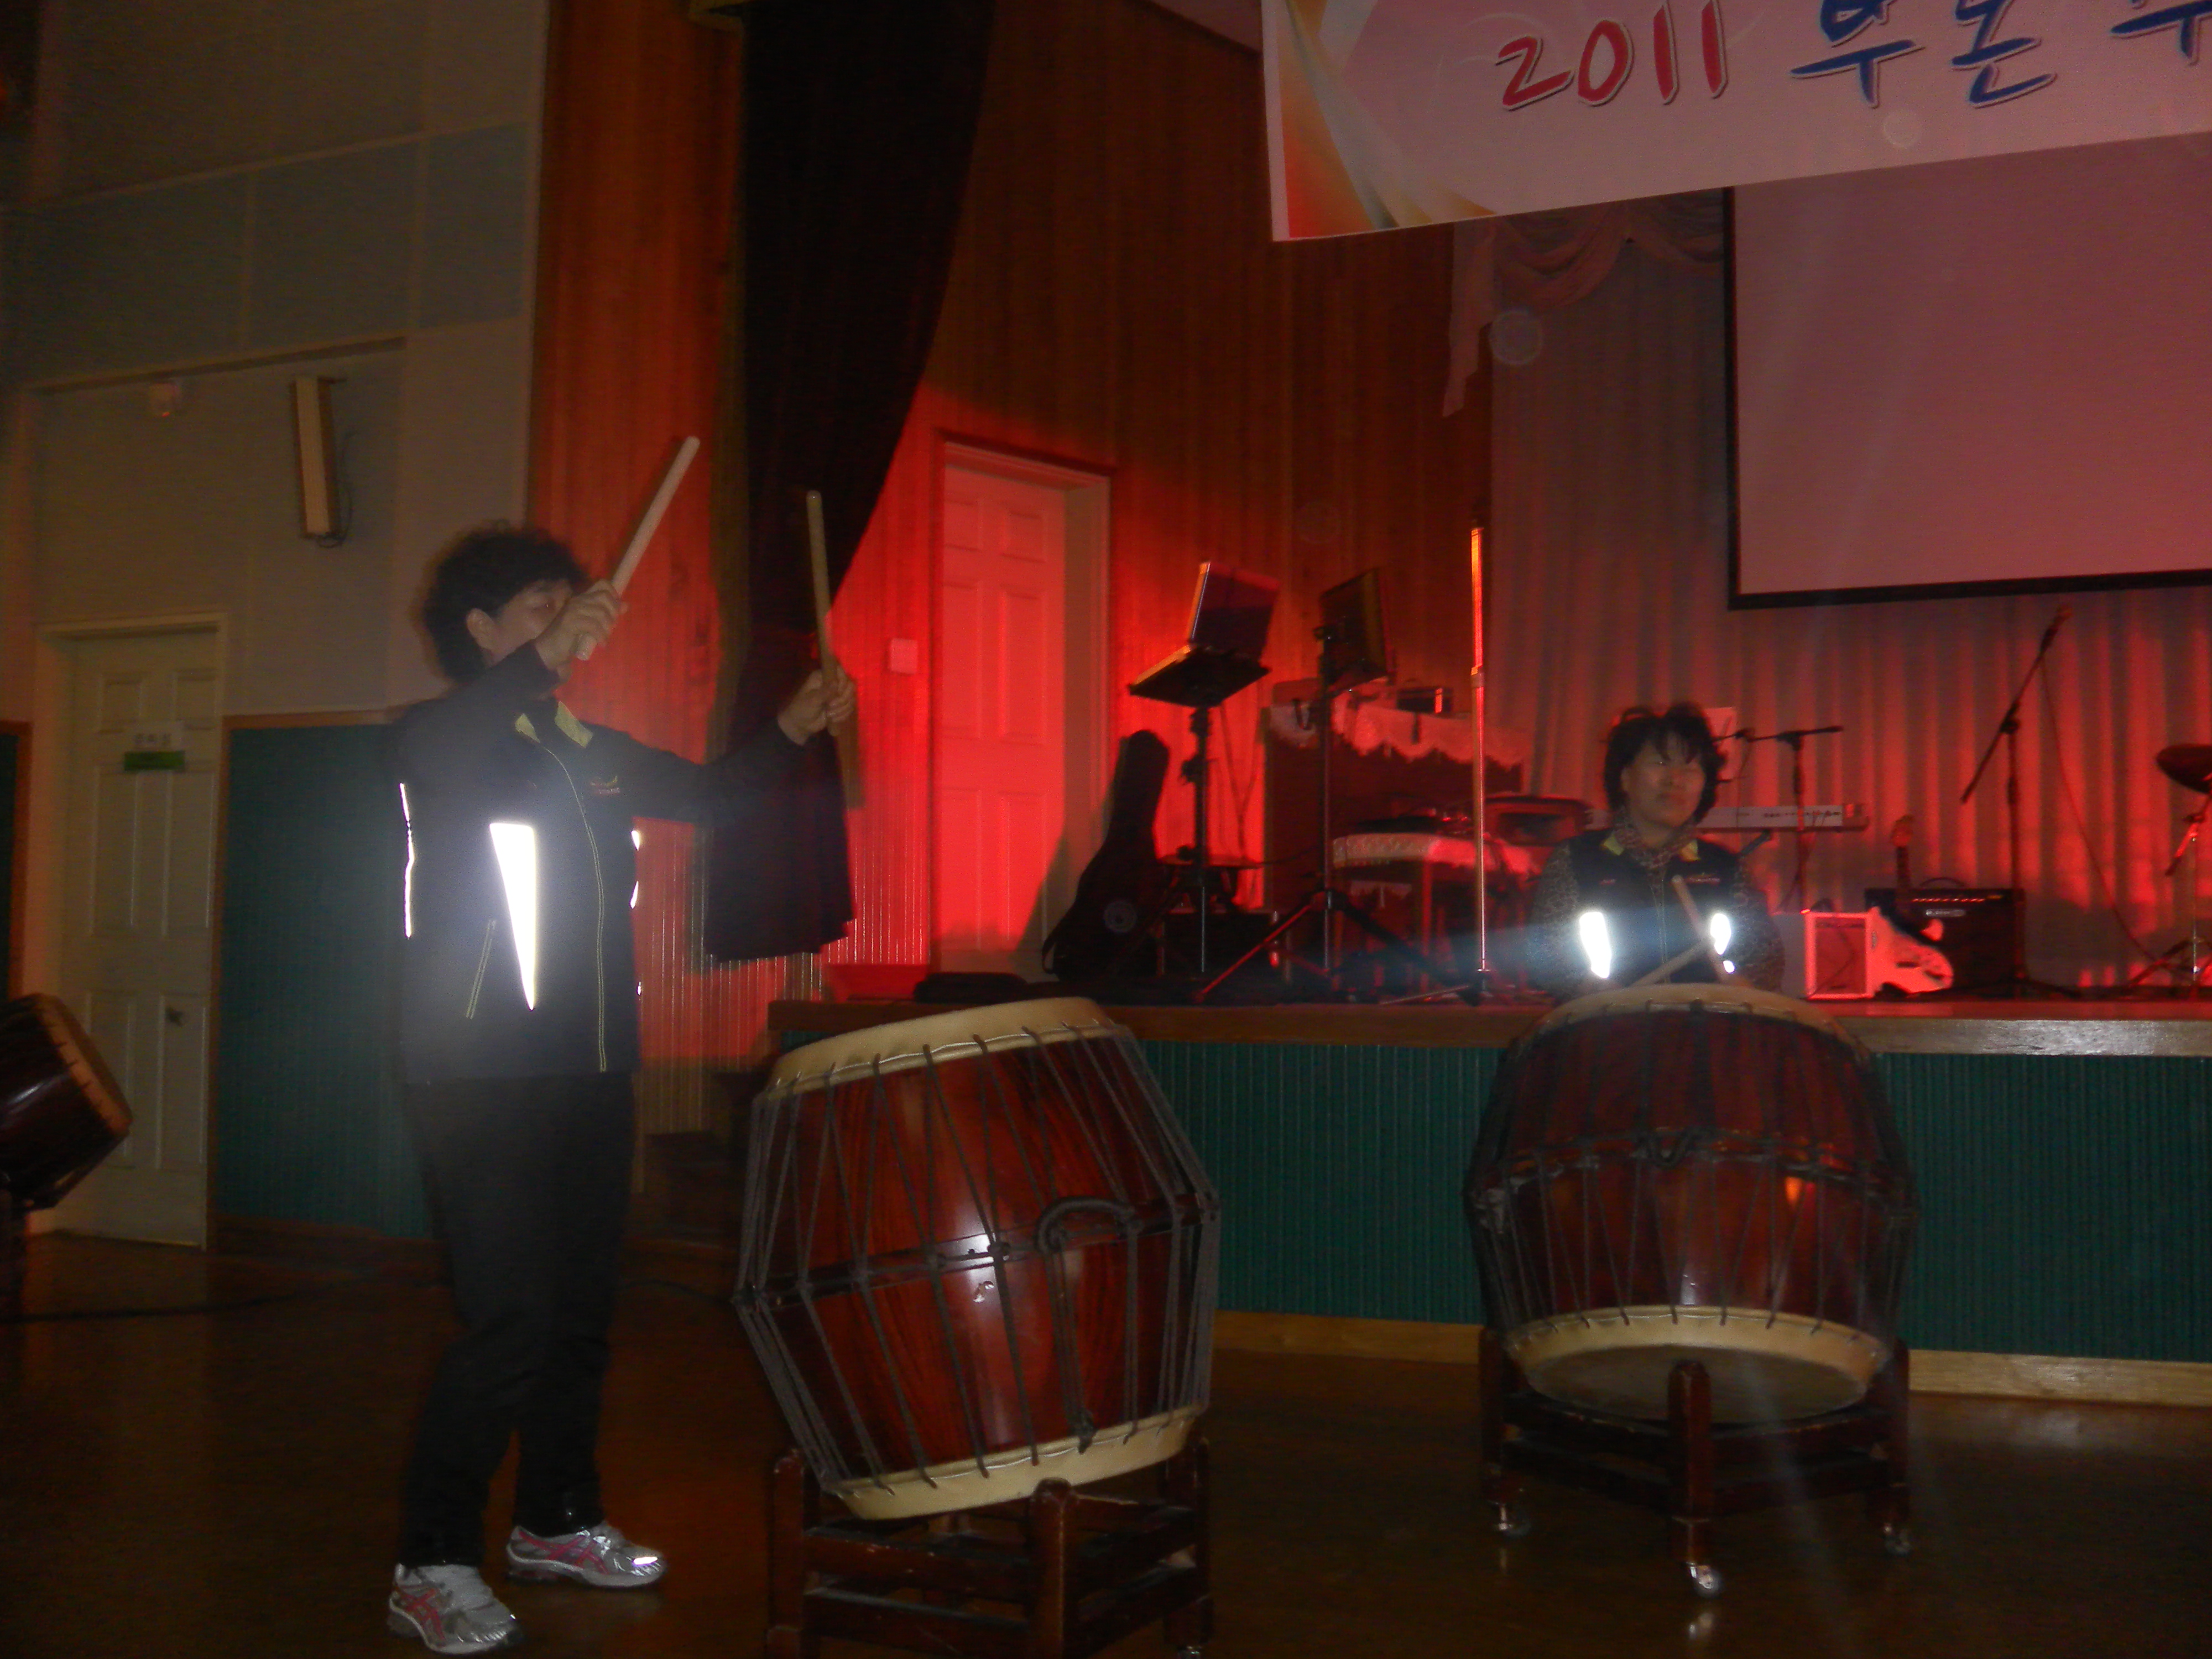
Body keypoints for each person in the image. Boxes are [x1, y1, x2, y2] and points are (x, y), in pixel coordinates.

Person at [384, 524, 853, 1654]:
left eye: (568, 603)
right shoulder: (441, 741)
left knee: (581, 1315)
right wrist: (543, 661)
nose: (566, 623)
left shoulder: (582, 745)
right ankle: (430, 1563)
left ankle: (554, 1520)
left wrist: (790, 729)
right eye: (538, 608)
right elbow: (448, 742)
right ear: (482, 632)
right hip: (479, 1075)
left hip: (593, 1070)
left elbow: (710, 796)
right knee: (508, 1319)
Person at [1525, 703, 1783, 998]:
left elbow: (1764, 961)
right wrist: (1587, 988)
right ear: (1625, 777)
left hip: (1705, 1021)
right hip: (1607, 1021)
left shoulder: (1725, 866)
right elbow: (1548, 956)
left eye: (1691, 768)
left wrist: (1741, 988)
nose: (1676, 780)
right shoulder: (1577, 859)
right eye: (1660, 763)